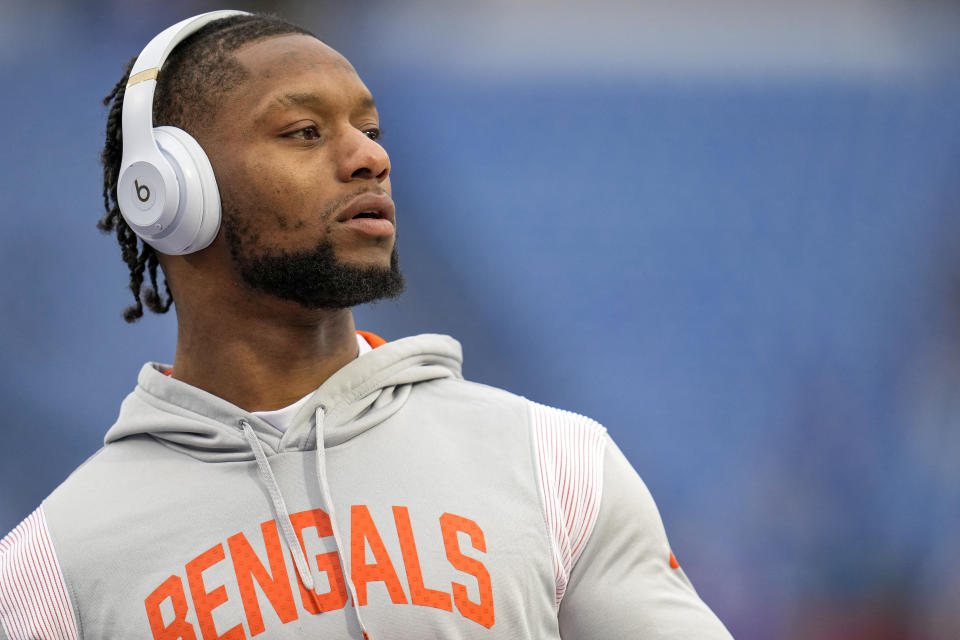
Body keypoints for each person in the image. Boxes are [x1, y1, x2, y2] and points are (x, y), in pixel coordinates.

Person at [0, 10, 733, 640]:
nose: (369, 157)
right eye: (305, 131)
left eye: (370, 127)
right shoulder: (50, 573)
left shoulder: (559, 466)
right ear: (165, 193)